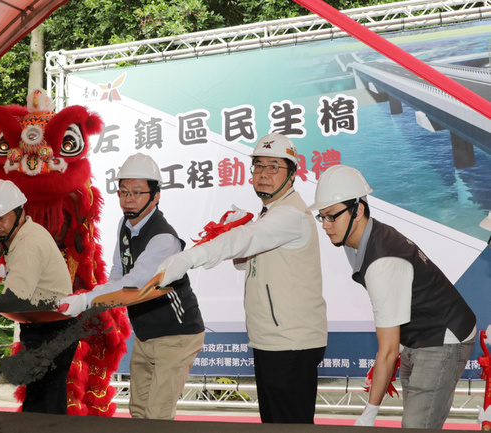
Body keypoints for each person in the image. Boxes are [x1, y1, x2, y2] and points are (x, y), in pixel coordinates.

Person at [154, 133, 328, 424]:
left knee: (290, 424)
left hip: (291, 342)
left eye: (274, 167)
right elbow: (248, 255)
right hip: (271, 339)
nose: (263, 174)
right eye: (258, 166)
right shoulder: (269, 214)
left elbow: (245, 240)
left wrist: (186, 259)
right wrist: (231, 235)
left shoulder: (290, 215)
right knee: (274, 423)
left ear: (293, 173)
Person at [307, 164, 476, 429]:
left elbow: (387, 351)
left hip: (444, 337)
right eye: (322, 217)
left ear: (358, 210)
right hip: (417, 335)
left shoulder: (382, 262)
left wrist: (370, 412)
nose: (326, 226)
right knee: (419, 421)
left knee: (417, 426)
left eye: (332, 216)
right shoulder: (359, 238)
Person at [57, 153, 205, 420]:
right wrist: (96, 300)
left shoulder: (163, 238)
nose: (128, 198)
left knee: (157, 415)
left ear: (155, 196)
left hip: (177, 335)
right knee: (138, 411)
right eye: (123, 191)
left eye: (137, 192)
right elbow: (117, 272)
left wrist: (86, 300)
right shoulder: (125, 223)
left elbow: (133, 283)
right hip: (146, 333)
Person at [0, 179, 78, 414]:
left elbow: (12, 300)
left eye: (2, 217)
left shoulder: (28, 243)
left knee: (42, 407)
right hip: (48, 328)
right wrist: (2, 271)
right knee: (45, 401)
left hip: (52, 331)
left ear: (21, 213)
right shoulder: (22, 234)